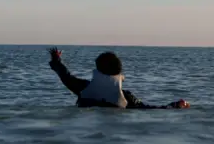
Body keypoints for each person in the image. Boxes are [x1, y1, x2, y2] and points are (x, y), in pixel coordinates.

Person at [48, 47, 190, 109]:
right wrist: (176, 105)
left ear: (97, 70)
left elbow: (65, 76)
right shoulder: (126, 97)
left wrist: (57, 60)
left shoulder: (83, 88)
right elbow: (152, 109)